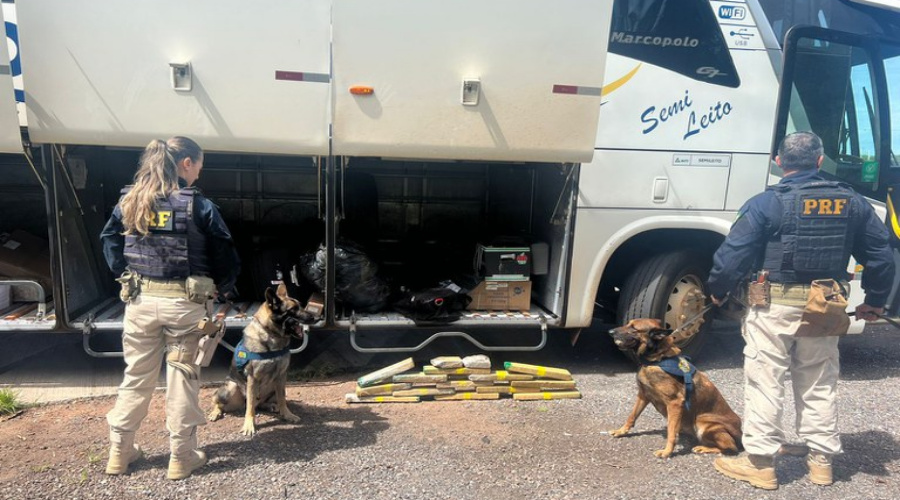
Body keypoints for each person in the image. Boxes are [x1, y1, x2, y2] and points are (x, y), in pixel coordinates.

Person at [707, 131, 894, 490]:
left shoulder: (766, 202)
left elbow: (732, 255)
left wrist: (717, 291)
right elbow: (881, 255)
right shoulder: (852, 202)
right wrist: (874, 300)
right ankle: (821, 463)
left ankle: (761, 464)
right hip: (824, 307)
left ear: (779, 163)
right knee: (819, 382)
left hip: (773, 306)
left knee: (765, 381)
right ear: (820, 161)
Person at [99, 136, 240, 480]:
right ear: (186, 164)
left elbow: (110, 240)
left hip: (140, 303)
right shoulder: (199, 205)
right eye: (199, 167)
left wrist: (125, 274)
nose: (198, 175)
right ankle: (182, 456)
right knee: (182, 379)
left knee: (136, 377)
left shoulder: (131, 200)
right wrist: (223, 287)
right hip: (186, 307)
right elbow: (224, 250)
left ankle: (119, 452)